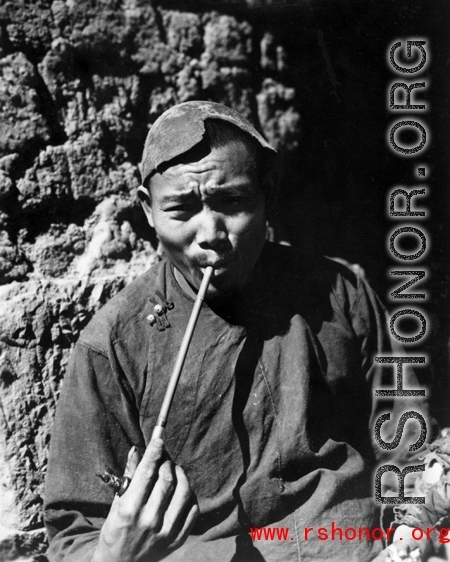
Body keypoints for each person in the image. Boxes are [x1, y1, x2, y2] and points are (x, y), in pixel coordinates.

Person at [44, 101, 432, 562]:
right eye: (181, 209)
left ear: (266, 192)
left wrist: (415, 525)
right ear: (148, 212)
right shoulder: (114, 344)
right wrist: (112, 552)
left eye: (232, 201)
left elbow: (407, 439)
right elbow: (73, 535)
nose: (210, 232)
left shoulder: (338, 293)